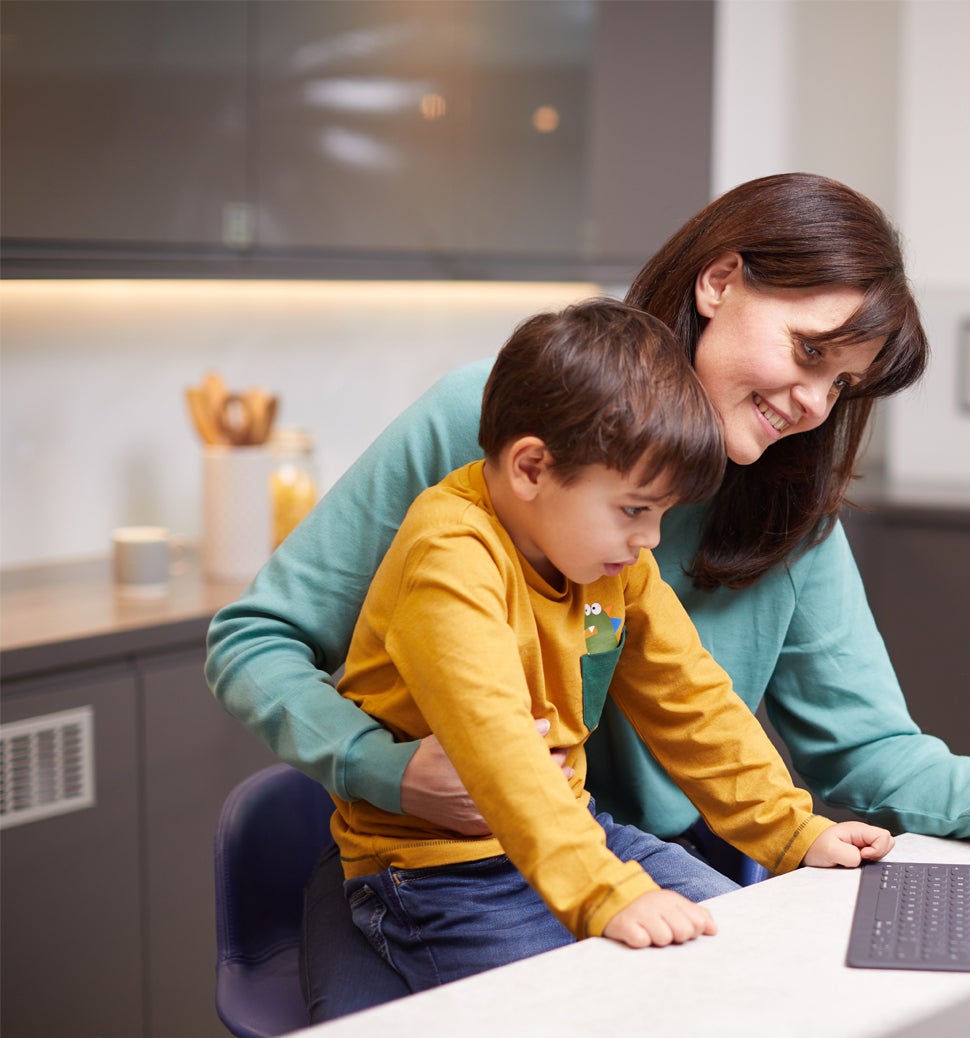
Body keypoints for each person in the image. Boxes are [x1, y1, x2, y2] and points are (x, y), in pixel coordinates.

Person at [206, 173, 970, 1020]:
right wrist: (383, 767)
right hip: (445, 868)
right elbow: (256, 639)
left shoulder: (784, 507)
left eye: (844, 386)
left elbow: (860, 746)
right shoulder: (496, 425)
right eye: (807, 351)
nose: (814, 407)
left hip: (622, 855)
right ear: (719, 283)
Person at [328, 298, 891, 989]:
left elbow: (693, 700)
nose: (650, 540)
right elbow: (501, 749)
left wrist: (790, 831)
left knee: (747, 967)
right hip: (438, 874)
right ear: (532, 469)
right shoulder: (449, 557)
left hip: (577, 832)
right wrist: (603, 895)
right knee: (601, 1006)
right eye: (633, 510)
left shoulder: (611, 565)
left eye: (660, 514)